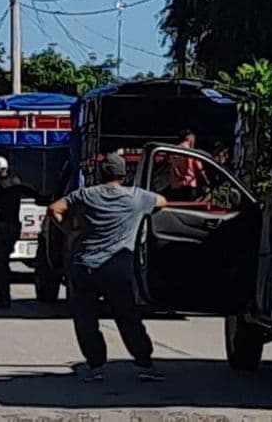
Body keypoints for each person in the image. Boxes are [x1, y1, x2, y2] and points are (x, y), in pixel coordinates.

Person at [48, 153, 168, 383]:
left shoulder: (85, 195)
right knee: (127, 317)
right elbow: (163, 202)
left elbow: (54, 209)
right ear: (123, 174)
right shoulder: (136, 198)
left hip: (84, 266)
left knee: (85, 319)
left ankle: (96, 366)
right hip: (117, 267)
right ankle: (144, 362)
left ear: (101, 174)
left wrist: (69, 232)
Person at [0, 156, 47, 309]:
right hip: (14, 226)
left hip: (1, 227)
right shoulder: (16, 181)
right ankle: (4, 297)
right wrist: (45, 199)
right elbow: (32, 193)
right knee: (3, 261)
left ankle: (3, 298)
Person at [168, 129, 208, 201]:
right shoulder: (192, 152)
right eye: (194, 138)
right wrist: (207, 183)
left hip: (176, 187)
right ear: (189, 137)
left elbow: (173, 168)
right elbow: (199, 169)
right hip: (190, 186)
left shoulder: (173, 151)